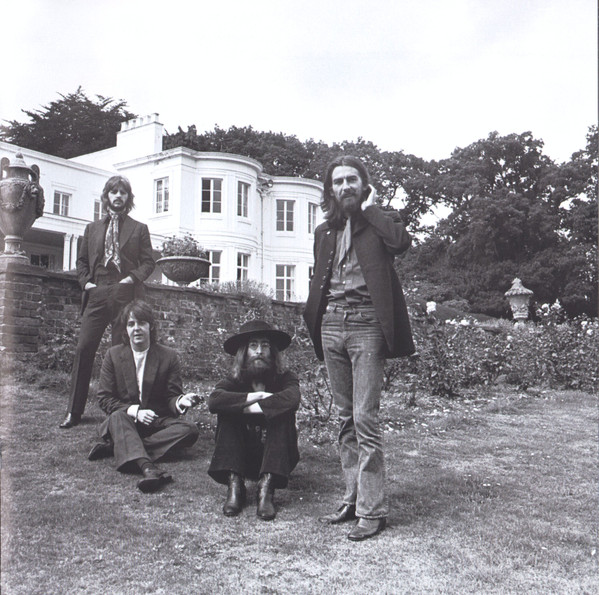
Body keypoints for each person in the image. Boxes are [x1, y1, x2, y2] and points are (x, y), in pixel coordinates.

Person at [303, 155, 415, 541]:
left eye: (352, 179)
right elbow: (319, 278)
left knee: (365, 417)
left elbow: (401, 243)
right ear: (330, 189)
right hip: (331, 323)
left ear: (364, 185)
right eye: (338, 181)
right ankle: (352, 499)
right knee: (344, 418)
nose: (345, 186)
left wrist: (371, 210)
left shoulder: (381, 221)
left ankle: (372, 510)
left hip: (368, 324)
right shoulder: (324, 231)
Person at [60, 175, 155, 428]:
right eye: (114, 192)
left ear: (128, 197)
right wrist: (86, 284)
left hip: (124, 292)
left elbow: (148, 262)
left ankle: (122, 413)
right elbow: (82, 262)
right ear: (107, 196)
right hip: (98, 291)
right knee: (84, 348)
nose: (118, 196)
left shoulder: (139, 228)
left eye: (123, 192)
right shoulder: (91, 229)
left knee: (121, 352)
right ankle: (74, 412)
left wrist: (131, 279)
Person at [87, 300, 200, 493]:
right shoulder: (113, 355)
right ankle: (148, 468)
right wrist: (135, 412)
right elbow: (104, 398)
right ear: (126, 329)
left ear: (151, 326)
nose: (136, 329)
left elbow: (171, 397)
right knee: (117, 416)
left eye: (141, 323)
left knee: (189, 430)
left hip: (156, 421)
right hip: (125, 420)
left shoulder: (168, 356)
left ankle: (118, 447)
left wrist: (181, 401)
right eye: (131, 324)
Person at [207, 320, 300, 521]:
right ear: (244, 352)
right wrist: (256, 397)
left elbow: (293, 399)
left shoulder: (285, 377)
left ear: (272, 352)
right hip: (240, 460)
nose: (259, 351)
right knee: (227, 412)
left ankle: (266, 488)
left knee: (282, 413)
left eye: (265, 345)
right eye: (253, 345)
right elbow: (214, 401)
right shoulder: (234, 380)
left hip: (277, 460)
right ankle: (235, 486)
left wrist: (243, 406)